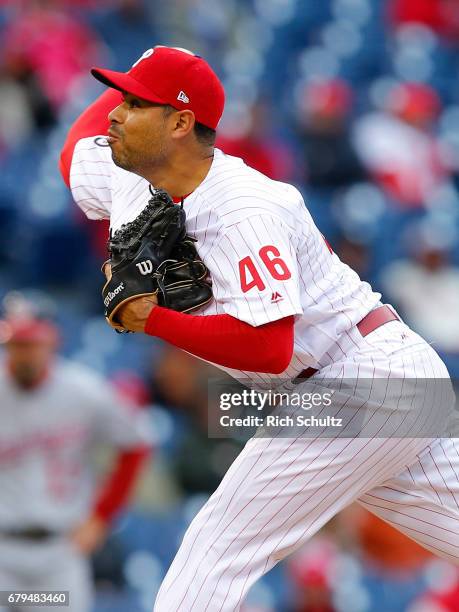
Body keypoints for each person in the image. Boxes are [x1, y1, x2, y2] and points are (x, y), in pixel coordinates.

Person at [60, 46, 459, 612]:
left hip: (359, 379)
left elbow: (270, 349)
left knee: (216, 547)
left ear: (178, 123)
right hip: (374, 386)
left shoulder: (244, 208)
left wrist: (155, 319)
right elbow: (73, 153)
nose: (115, 115)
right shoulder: (136, 174)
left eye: (134, 103)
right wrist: (148, 67)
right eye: (119, 100)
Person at [0, 308, 151, 612]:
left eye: (32, 344)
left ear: (52, 342)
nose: (25, 353)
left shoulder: (83, 392)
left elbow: (136, 443)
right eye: (18, 344)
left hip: (58, 553)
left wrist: (102, 516)